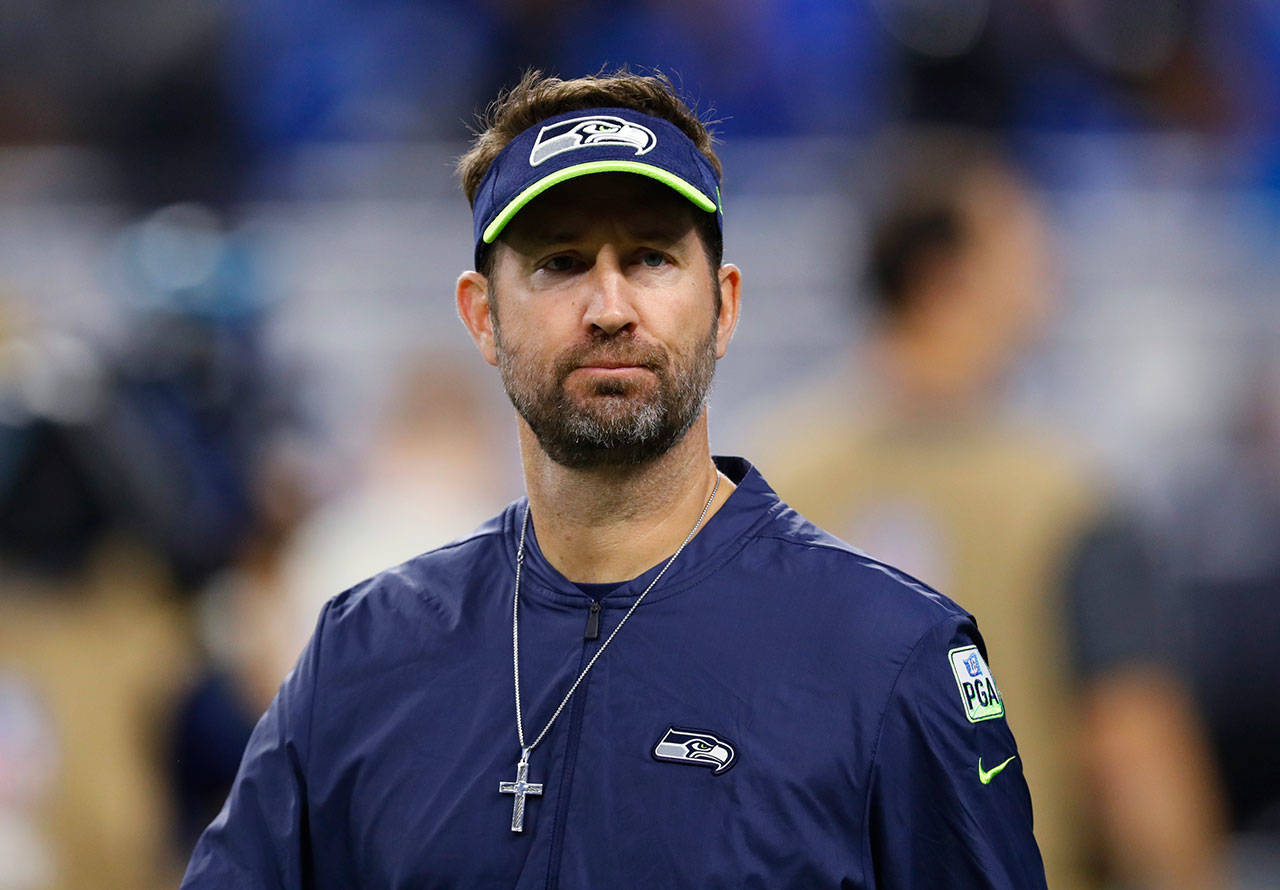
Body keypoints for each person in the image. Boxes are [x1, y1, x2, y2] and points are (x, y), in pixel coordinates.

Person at [180, 70, 1047, 888]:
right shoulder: (367, 653)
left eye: (651, 259)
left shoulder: (886, 656)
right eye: (559, 263)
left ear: (726, 306)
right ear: (482, 316)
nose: (609, 307)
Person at [760, 139, 1227, 890]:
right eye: (1023, 247)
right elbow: (1139, 767)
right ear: (947, 274)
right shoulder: (1070, 499)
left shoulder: (772, 483)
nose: (1048, 276)